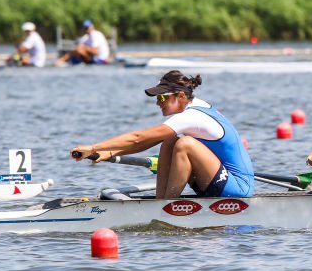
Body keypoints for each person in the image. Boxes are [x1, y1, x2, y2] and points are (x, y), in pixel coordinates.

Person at [70, 71, 254, 199]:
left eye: (163, 97)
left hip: (238, 188)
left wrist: (93, 147)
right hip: (219, 179)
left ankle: (166, 207)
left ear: (181, 96)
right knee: (169, 140)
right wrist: (110, 152)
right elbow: (145, 142)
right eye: (158, 98)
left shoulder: (193, 116)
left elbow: (138, 137)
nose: (158, 103)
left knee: (185, 144)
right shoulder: (197, 105)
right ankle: (163, 202)